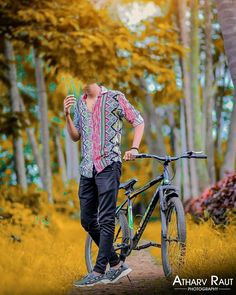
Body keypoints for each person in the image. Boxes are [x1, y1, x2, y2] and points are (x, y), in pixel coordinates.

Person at [64, 83, 145, 287]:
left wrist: (134, 147)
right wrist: (66, 115)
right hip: (87, 168)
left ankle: (99, 271)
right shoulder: (80, 104)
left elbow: (138, 121)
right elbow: (75, 137)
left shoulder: (115, 97)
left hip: (109, 163)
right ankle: (117, 264)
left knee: (106, 217)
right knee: (87, 220)